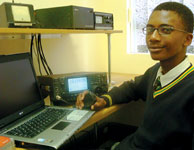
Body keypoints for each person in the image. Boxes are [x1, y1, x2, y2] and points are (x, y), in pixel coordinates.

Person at [76, 2, 194, 150]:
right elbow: (131, 88)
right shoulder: (157, 71)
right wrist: (104, 100)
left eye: (165, 30)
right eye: (150, 29)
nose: (153, 37)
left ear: (187, 39)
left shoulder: (190, 88)